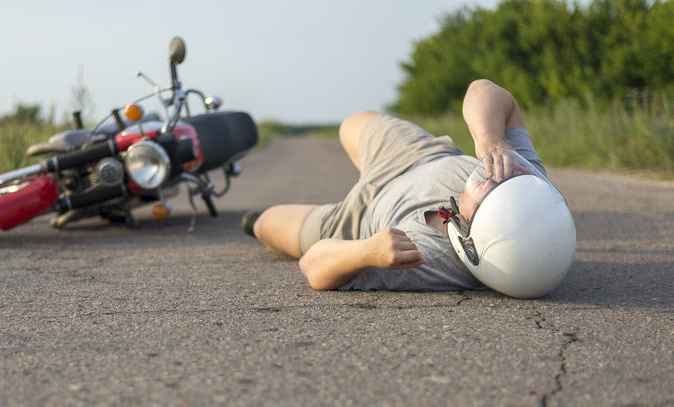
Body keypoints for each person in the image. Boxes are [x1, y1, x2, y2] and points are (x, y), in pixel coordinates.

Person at [243, 79, 574, 297]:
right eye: (503, 177)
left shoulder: (431, 263)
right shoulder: (525, 182)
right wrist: (491, 139)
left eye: (487, 188)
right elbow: (484, 90)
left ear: (475, 242)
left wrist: (366, 251)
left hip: (360, 218)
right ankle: (367, 168)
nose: (490, 174)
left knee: (265, 224)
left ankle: (260, 221)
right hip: (417, 156)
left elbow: (314, 266)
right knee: (353, 122)